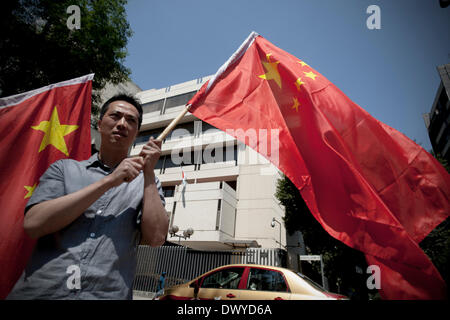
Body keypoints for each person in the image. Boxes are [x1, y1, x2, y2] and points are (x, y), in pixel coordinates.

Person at [7, 94, 169, 300]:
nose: (122, 124)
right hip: (42, 292)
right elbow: (33, 224)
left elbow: (156, 238)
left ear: (136, 133)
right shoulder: (64, 170)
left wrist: (148, 173)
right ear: (100, 124)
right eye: (115, 116)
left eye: (130, 121)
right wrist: (109, 181)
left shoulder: (149, 184)